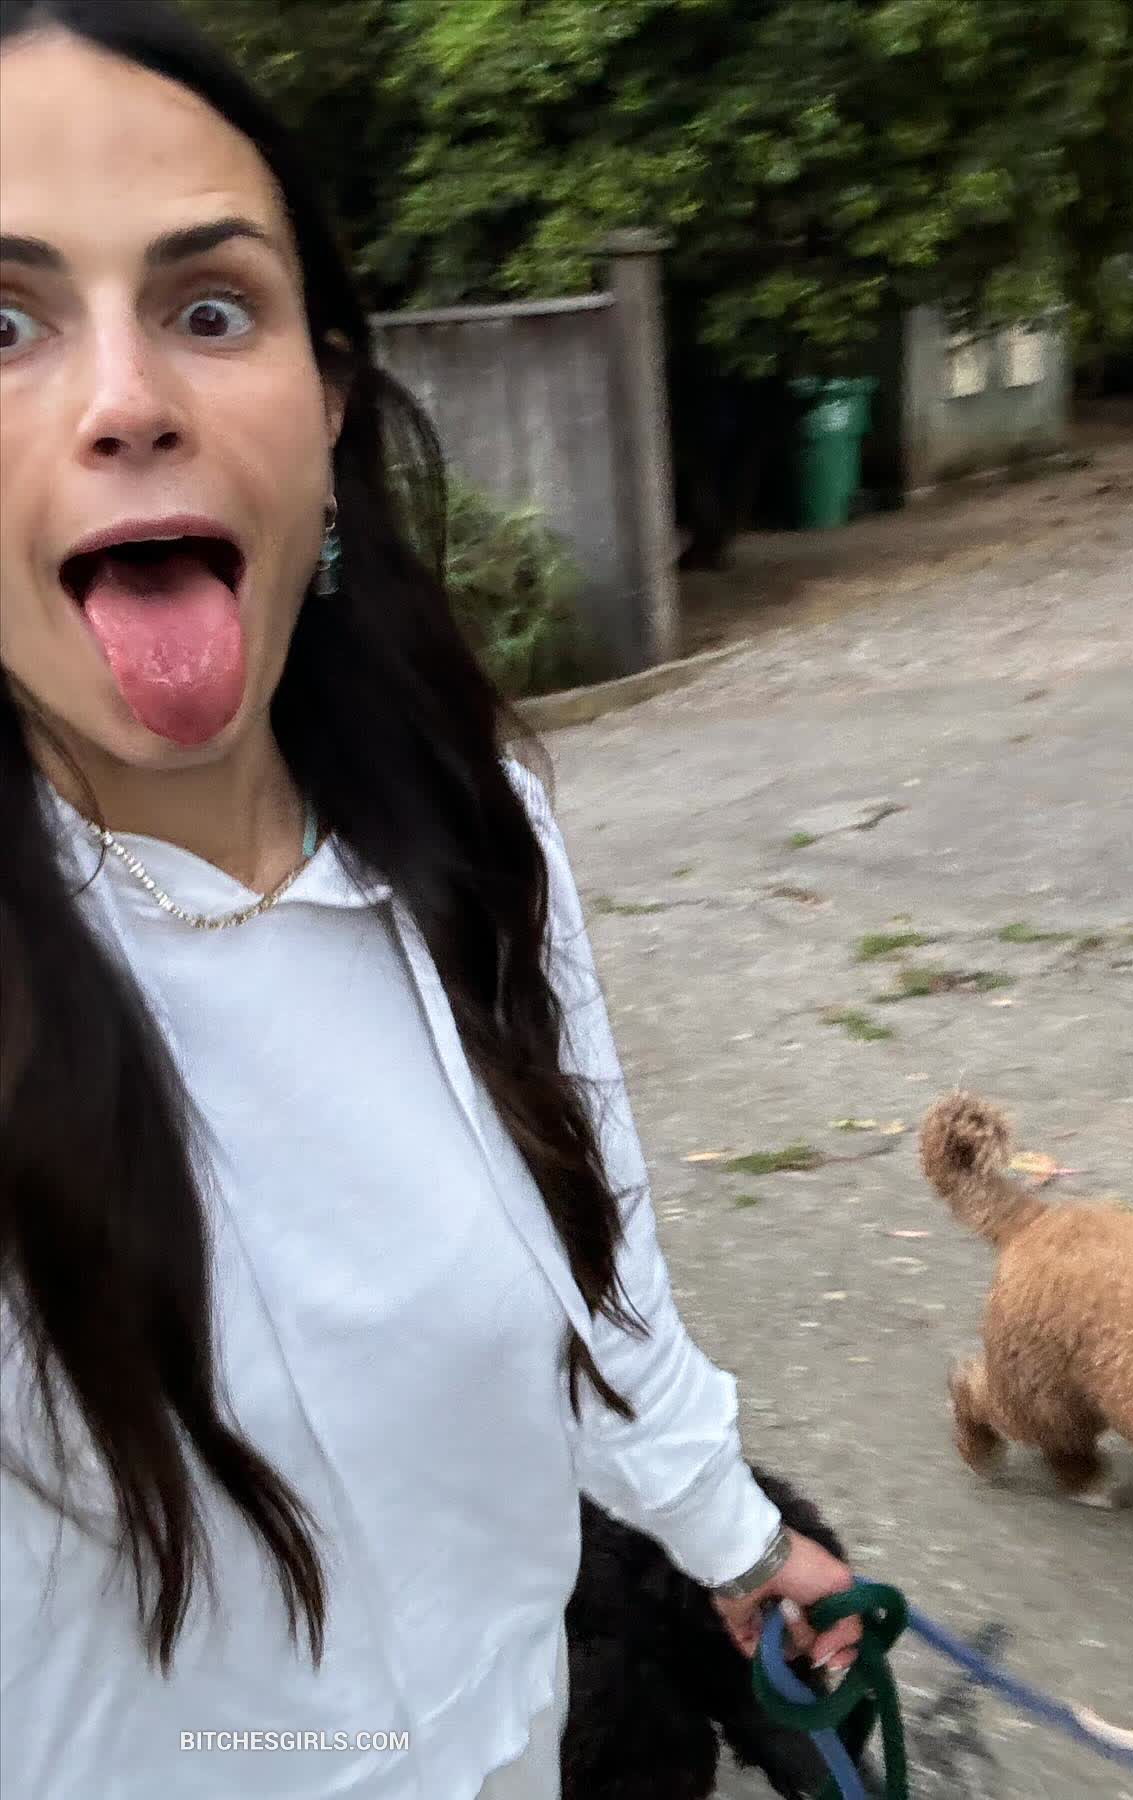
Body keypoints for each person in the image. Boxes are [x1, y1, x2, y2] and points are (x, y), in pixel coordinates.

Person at [0, 3, 859, 1795]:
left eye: (209, 307)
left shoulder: (474, 831)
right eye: (3, 326)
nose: (126, 402)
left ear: (327, 405)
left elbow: (598, 1273)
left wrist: (731, 1534)